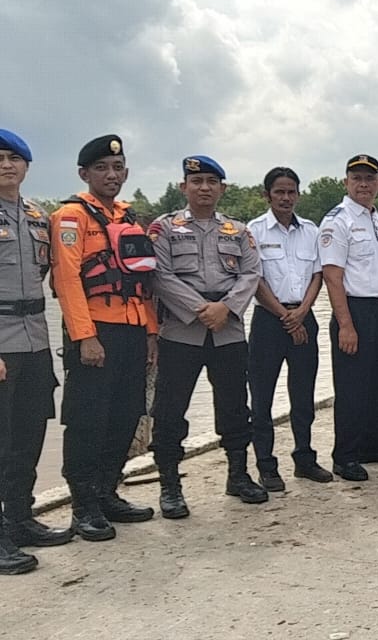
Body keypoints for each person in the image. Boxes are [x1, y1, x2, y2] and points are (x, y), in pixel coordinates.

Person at [49, 134, 158, 543]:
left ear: (126, 172)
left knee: (127, 414)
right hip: (95, 333)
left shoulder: (129, 220)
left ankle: (108, 491)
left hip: (132, 331)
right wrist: (85, 336)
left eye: (117, 169)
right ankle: (83, 506)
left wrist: (150, 331)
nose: (111, 175)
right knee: (86, 421)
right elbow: (67, 280)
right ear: (84, 173)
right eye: (101, 169)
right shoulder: (71, 218)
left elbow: (141, 281)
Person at [148, 155, 267, 517]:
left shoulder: (238, 231)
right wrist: (201, 309)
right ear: (184, 187)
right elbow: (160, 275)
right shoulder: (164, 228)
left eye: (212, 182)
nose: (204, 188)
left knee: (234, 406)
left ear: (222, 189)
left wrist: (226, 309)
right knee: (170, 410)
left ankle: (238, 474)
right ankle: (170, 486)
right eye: (196, 182)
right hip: (181, 331)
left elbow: (252, 273)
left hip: (228, 330)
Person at [0, 129, 65, 575]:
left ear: (26, 166)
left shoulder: (40, 216)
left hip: (36, 339)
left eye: (14, 158)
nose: (6, 165)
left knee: (28, 437)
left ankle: (21, 518)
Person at [246, 167, 330, 490]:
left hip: (304, 316)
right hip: (269, 320)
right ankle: (266, 466)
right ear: (267, 195)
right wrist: (285, 316)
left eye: (291, 191)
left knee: (303, 393)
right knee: (263, 396)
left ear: (298, 194)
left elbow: (318, 275)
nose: (285, 198)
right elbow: (255, 280)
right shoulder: (253, 231)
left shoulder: (311, 230)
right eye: (279, 192)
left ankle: (305, 459)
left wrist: (302, 312)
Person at [318, 154, 378, 482]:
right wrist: (346, 324)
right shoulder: (337, 221)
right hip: (355, 311)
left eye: (370, 179)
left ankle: (372, 444)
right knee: (352, 388)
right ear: (346, 182)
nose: (363, 184)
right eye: (357, 178)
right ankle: (346, 455)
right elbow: (332, 276)